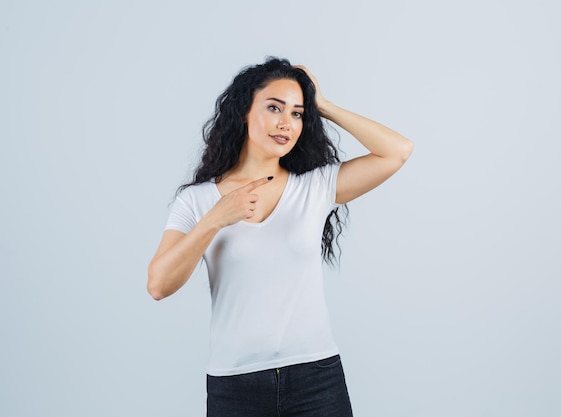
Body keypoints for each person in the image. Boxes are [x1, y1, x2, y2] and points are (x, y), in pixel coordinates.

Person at [147, 57, 413, 417]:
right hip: (235, 387)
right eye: (274, 108)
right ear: (244, 112)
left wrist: (325, 106)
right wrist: (214, 220)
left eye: (298, 113)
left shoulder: (315, 188)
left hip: (317, 380)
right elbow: (159, 285)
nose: (286, 123)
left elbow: (397, 151)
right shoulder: (198, 200)